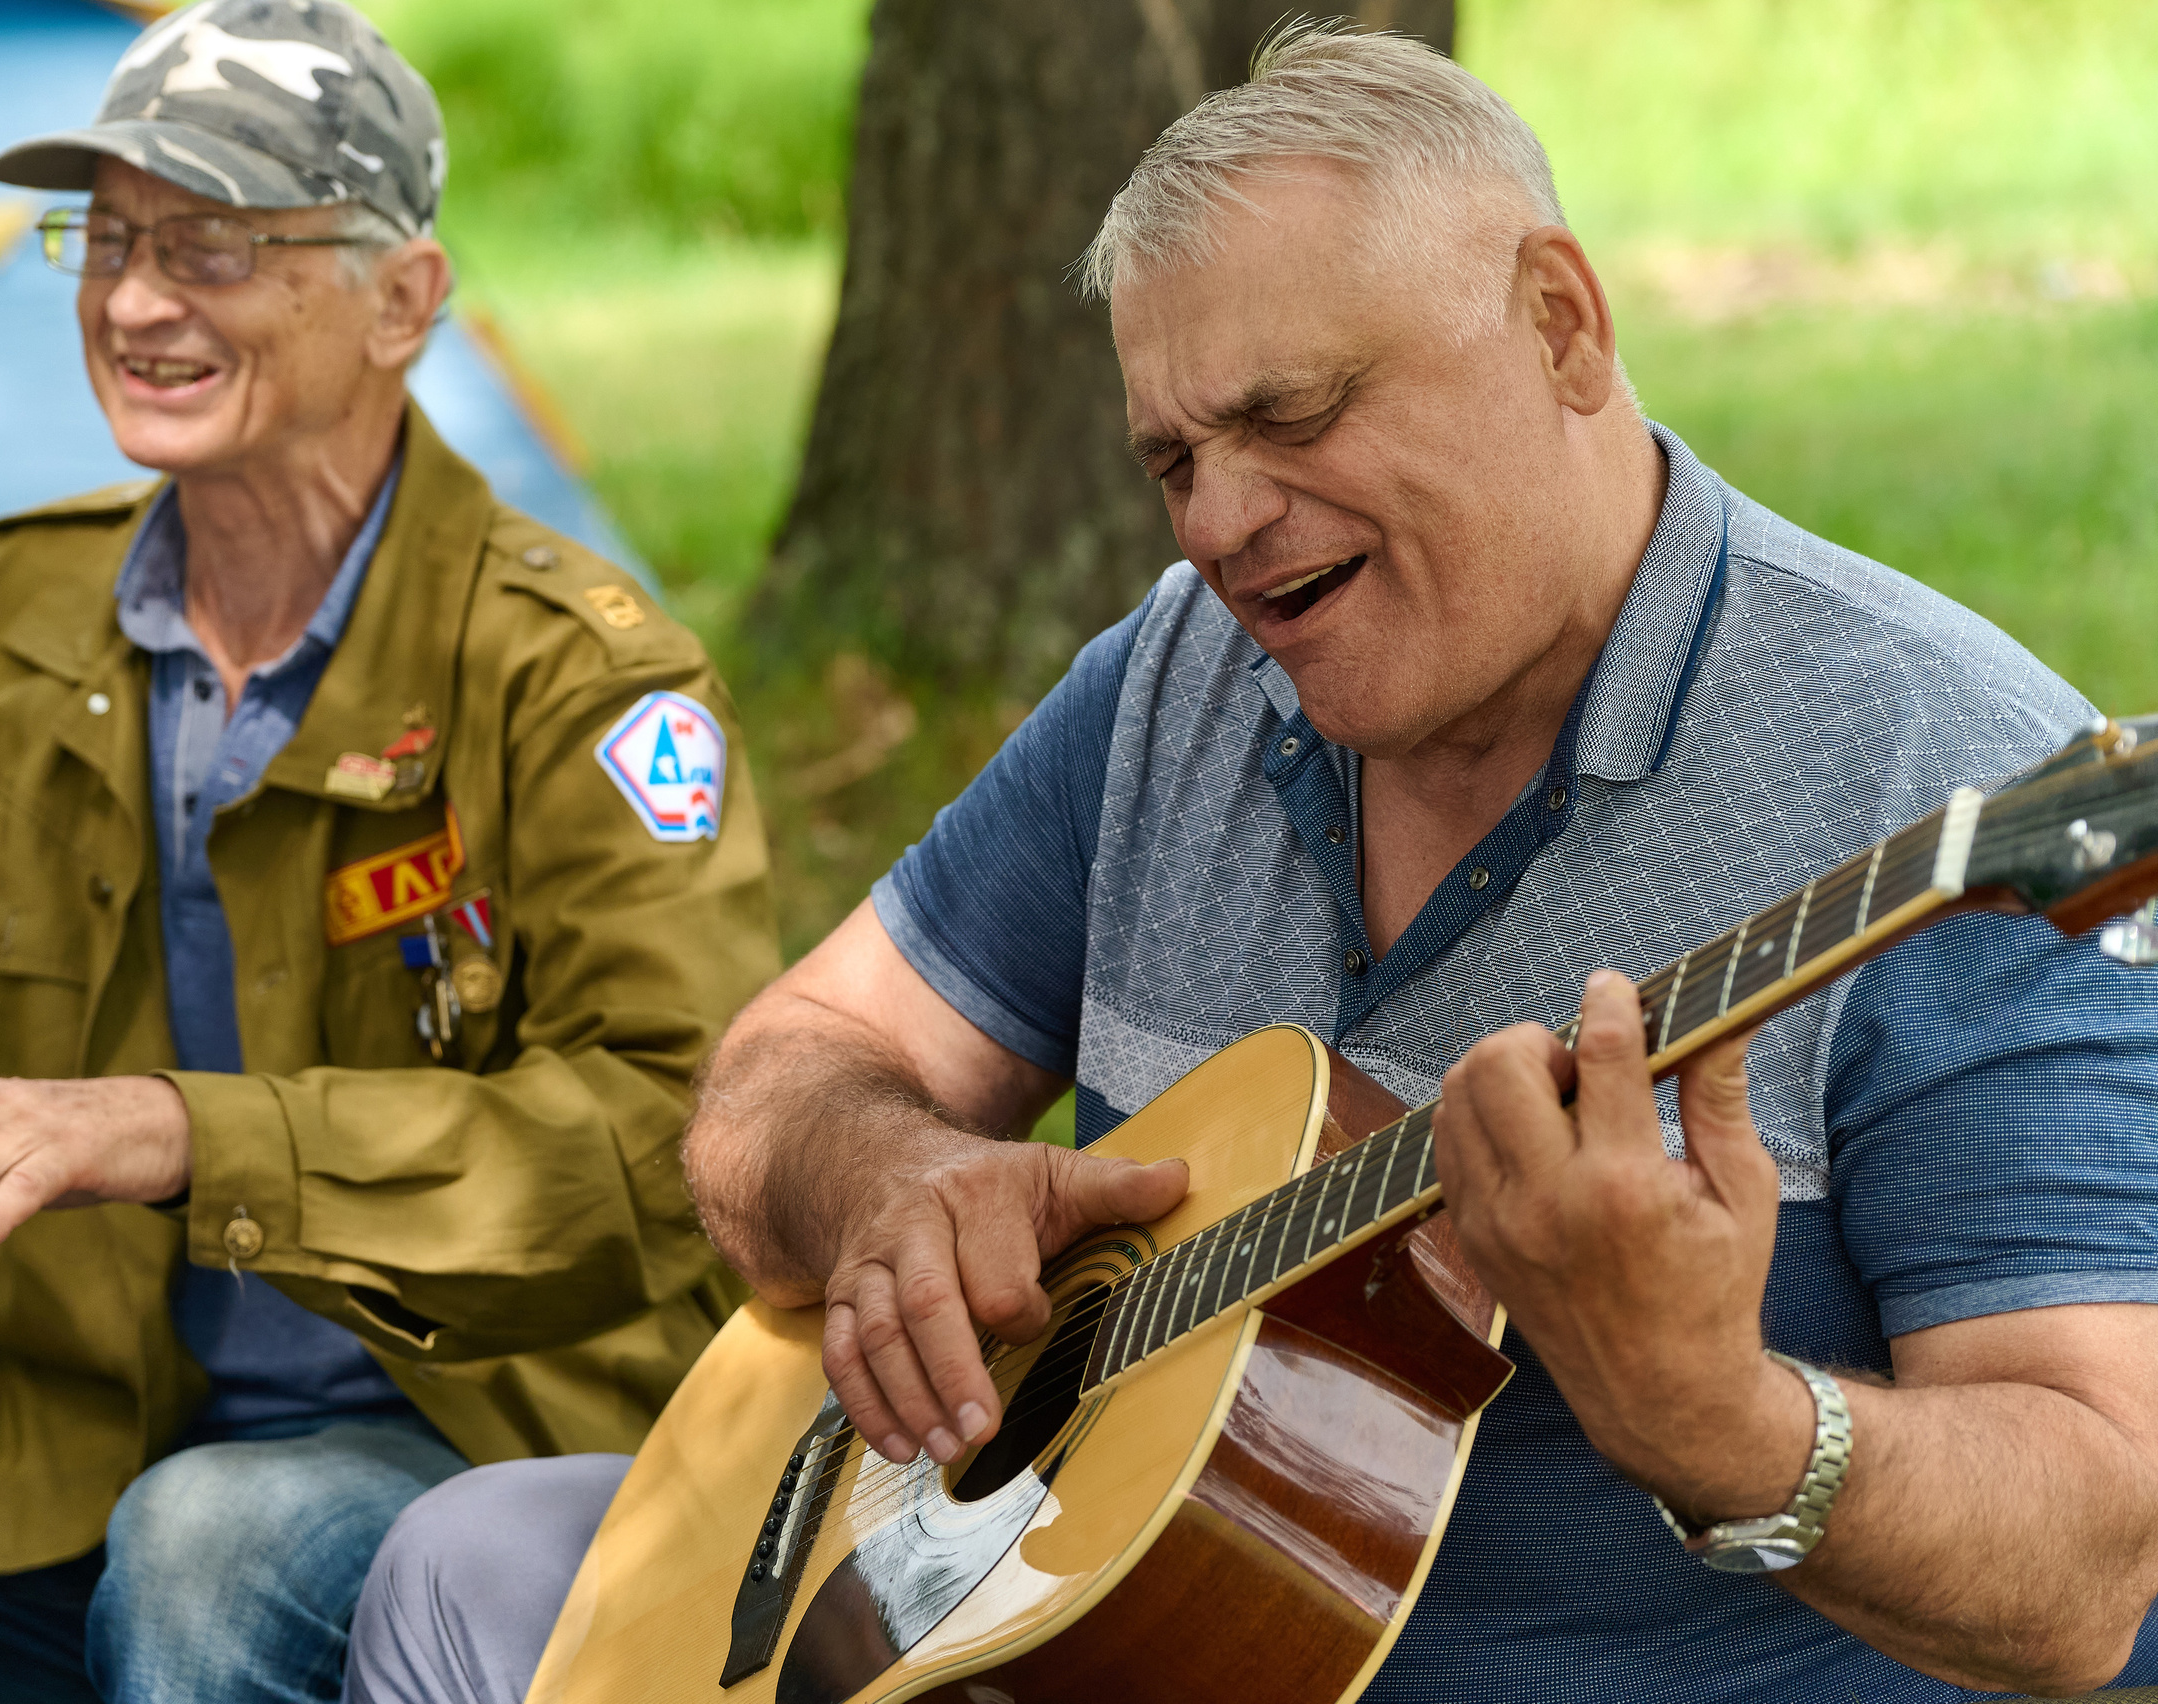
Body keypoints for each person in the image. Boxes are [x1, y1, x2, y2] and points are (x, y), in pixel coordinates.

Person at [340, 24, 2158, 1704]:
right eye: (1172, 459)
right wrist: (892, 1178)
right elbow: (779, 1076)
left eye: (1292, 417)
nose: (1216, 522)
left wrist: (1726, 1429)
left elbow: (2089, 1567)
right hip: (1057, 1635)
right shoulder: (1181, 678)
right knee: (455, 1565)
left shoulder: (1944, 781)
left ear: (1559, 325)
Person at [0, 4, 778, 1701]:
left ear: (403, 300)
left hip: (476, 1450)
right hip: (67, 1438)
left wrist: (176, 1133)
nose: (135, 301)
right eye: (109, 239)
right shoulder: (22, 603)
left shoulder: (579, 676)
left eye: (213, 246)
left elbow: (672, 1137)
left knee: (206, 1547)